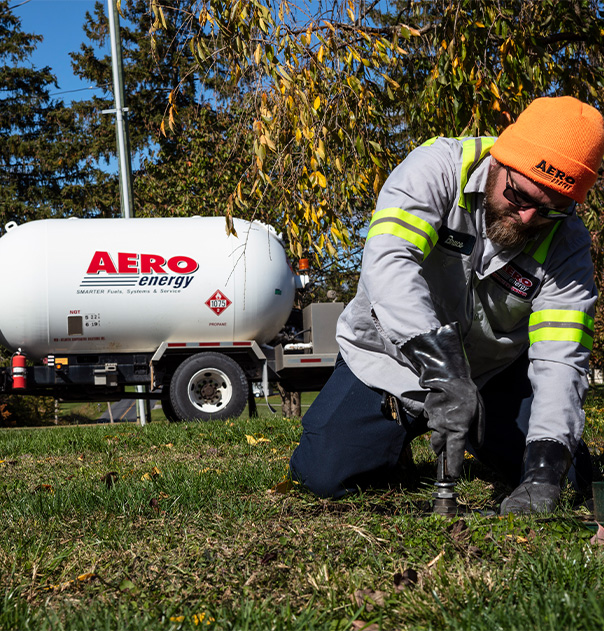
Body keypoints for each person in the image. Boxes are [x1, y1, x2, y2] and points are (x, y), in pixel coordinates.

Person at [289, 96, 604, 514]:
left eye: (550, 211)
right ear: (500, 159)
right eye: (519, 196)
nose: (528, 219)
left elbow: (561, 358)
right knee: (324, 475)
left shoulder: (570, 245)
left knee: (564, 477)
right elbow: (390, 261)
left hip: (493, 379)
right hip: (391, 360)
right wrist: (444, 372)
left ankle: (489, 438)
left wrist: (543, 471)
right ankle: (392, 441)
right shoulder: (436, 168)